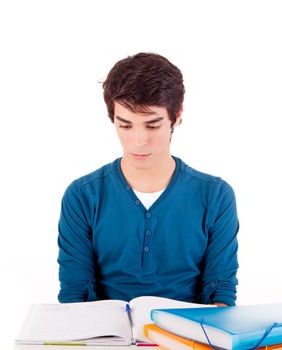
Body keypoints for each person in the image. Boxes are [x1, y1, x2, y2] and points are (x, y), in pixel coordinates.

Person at [57, 53, 239, 306]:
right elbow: (74, 294)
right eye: (125, 126)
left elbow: (221, 294)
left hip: (187, 339)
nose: (139, 141)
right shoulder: (82, 195)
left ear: (176, 116)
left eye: (152, 125)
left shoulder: (215, 196)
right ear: (112, 119)